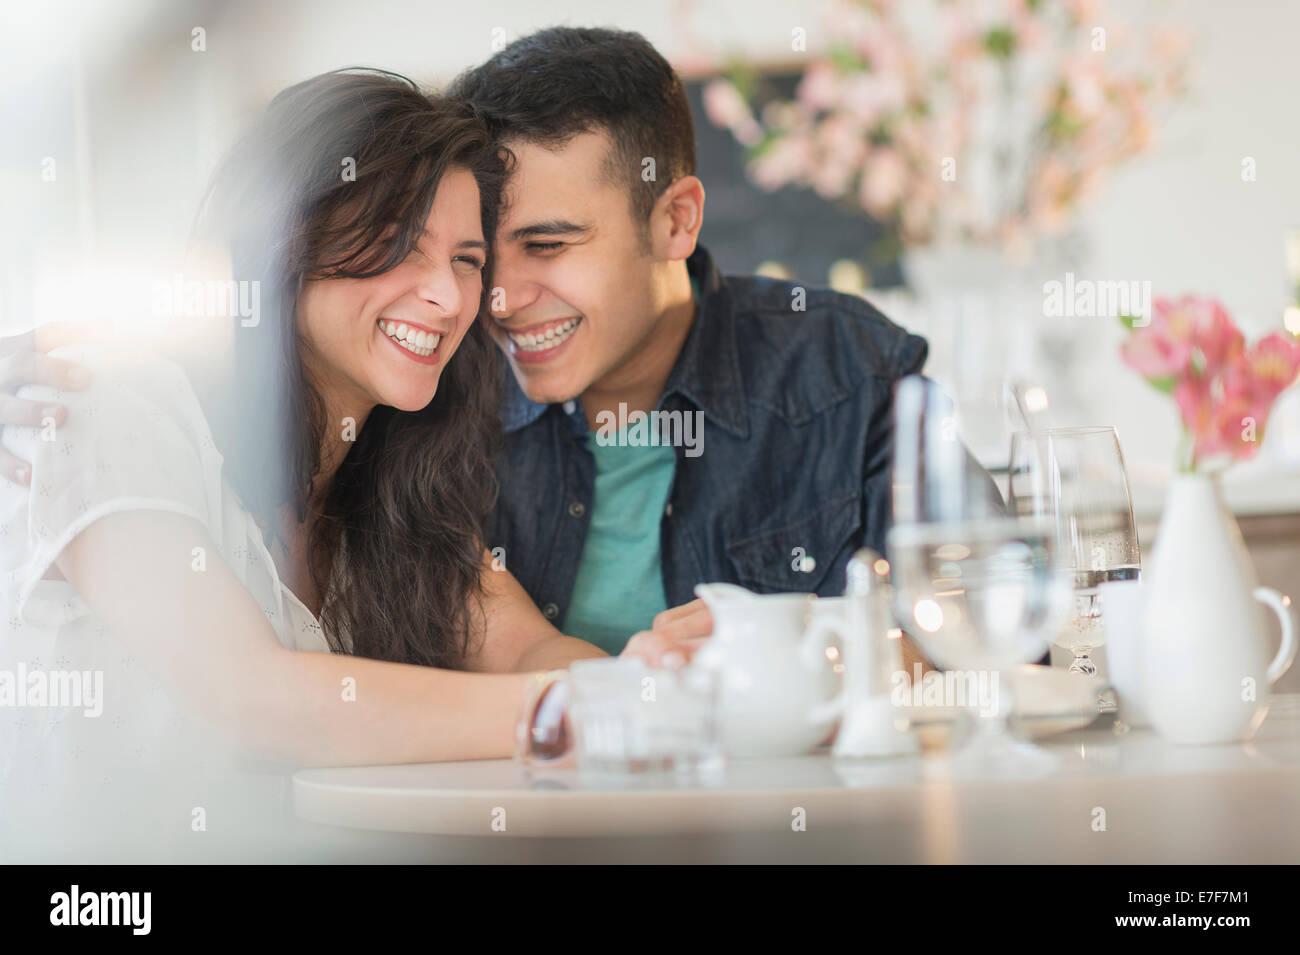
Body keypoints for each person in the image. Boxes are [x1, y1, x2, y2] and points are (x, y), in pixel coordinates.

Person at [0, 70, 693, 860]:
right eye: (399, 244)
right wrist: (584, 710)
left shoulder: (387, 482)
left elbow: (525, 646)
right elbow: (252, 696)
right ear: (281, 241)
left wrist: (655, 675)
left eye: (468, 260)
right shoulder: (107, 400)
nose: (445, 295)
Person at [447, 27, 931, 658]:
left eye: (546, 246)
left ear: (676, 221)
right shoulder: (440, 395)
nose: (499, 299)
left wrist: (818, 649)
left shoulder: (850, 368)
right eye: (480, 255)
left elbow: (990, 639)